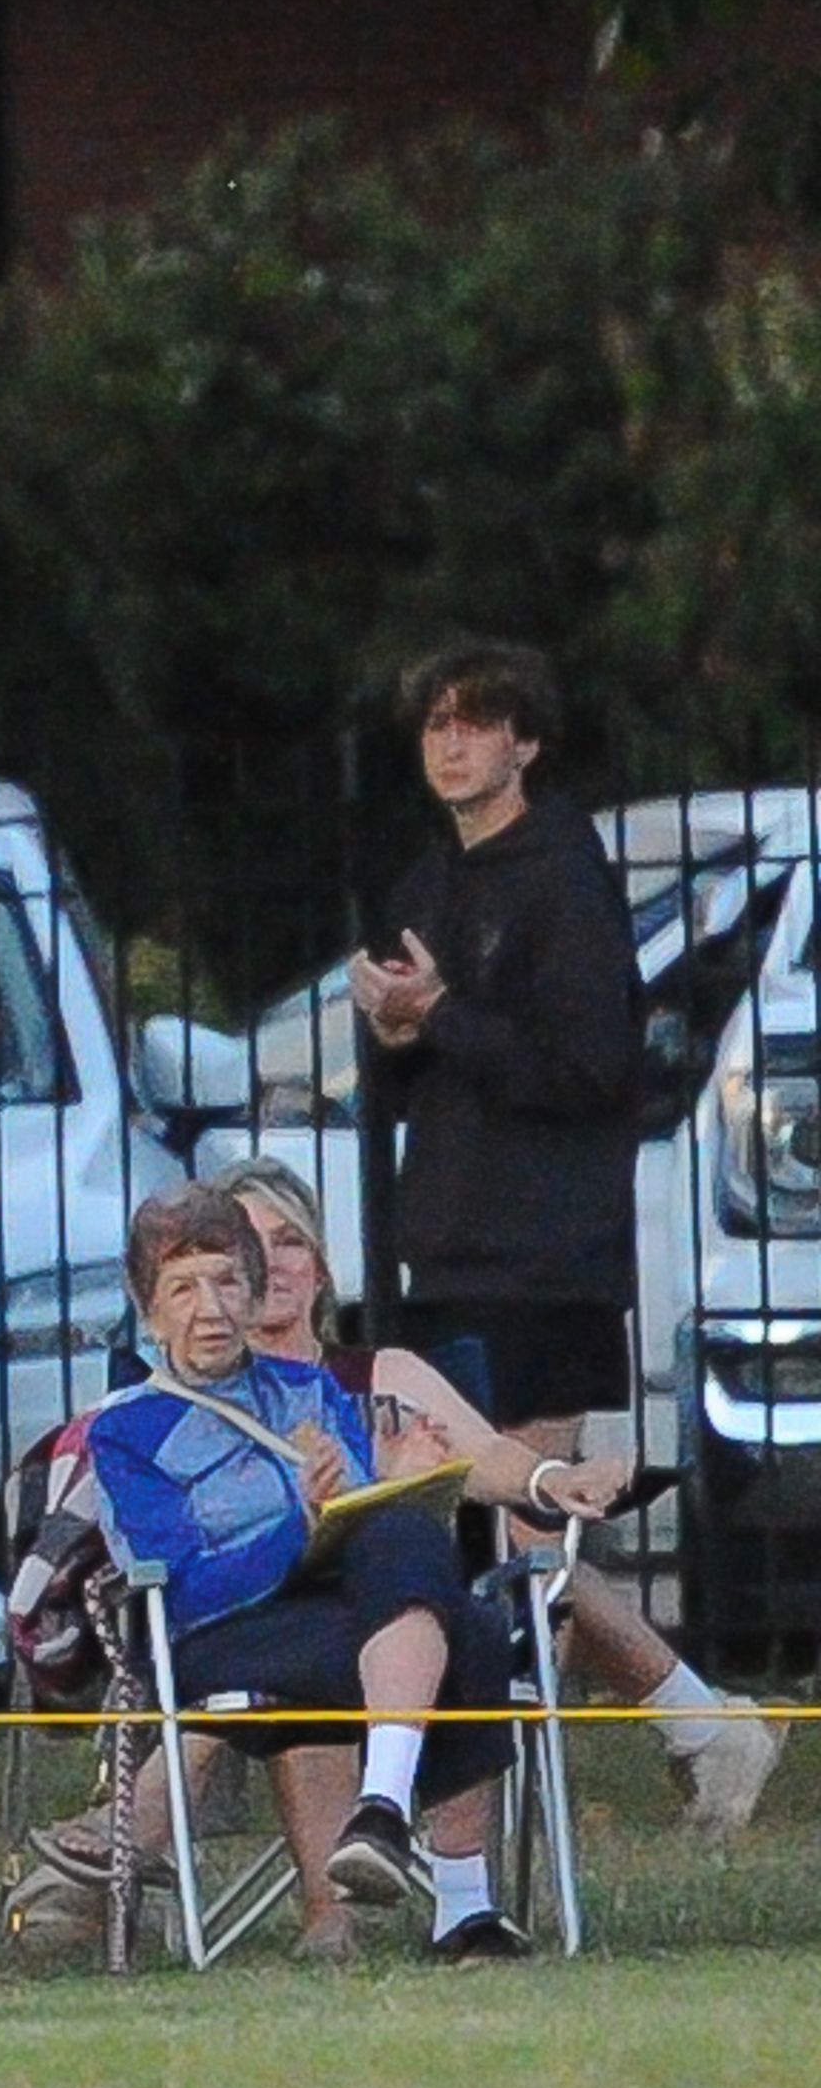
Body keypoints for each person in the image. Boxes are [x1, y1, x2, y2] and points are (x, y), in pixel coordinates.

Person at [214, 1153, 783, 1834]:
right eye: (251, 1246)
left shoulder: (384, 1373)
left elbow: (488, 1455)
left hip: (399, 1613)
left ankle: (121, 1848)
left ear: (321, 1267)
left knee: (503, 1566)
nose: (274, 1265)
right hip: (253, 1622)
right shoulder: (202, 1402)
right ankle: (156, 1853)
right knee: (260, 1646)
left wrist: (554, 1479)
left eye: (291, 1241)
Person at [88, 1182, 529, 1961]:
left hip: (350, 1616)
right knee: (466, 1630)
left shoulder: (307, 1389)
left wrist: (378, 1484)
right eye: (183, 1289)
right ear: (149, 1311)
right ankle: (459, 1901)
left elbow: (365, 1539)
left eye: (228, 1280)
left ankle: (389, 1816)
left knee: (414, 1546)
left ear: (255, 1290)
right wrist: (302, 1522)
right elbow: (180, 1583)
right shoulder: (125, 1431)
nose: (212, 1307)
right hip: (223, 1636)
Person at [349, 643, 643, 1527]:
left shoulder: (567, 882)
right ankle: (520, 1672)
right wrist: (396, 1033)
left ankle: (594, 1674)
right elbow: (410, 1078)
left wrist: (440, 1012)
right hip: (443, 1248)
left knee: (536, 1523)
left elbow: (589, 1066)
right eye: (438, 723)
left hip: (546, 1260)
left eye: (477, 722)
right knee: (443, 1518)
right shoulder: (427, 882)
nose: (452, 743)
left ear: (526, 745)